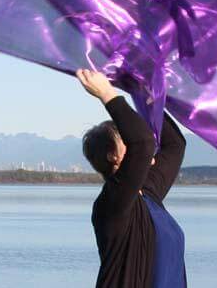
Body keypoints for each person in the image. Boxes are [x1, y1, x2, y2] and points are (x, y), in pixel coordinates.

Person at [76, 68, 187, 288]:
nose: (148, 150)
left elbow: (175, 145)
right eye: (125, 142)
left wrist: (144, 95)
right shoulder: (112, 204)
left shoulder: (148, 195)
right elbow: (143, 144)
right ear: (114, 157)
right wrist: (107, 94)